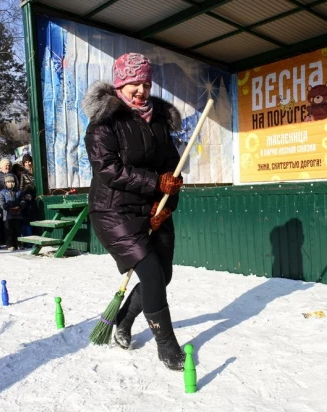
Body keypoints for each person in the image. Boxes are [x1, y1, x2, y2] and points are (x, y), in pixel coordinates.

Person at [83, 52, 185, 371]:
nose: (141, 89)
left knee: (162, 275)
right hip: (114, 212)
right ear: (120, 84)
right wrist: (157, 182)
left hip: (151, 206)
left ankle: (124, 320)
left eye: (145, 82)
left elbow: (172, 164)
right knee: (151, 272)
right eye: (133, 83)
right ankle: (166, 345)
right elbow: (110, 170)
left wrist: (165, 200)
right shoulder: (103, 123)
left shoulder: (157, 120)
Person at [0, 173, 24, 252]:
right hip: (8, 215)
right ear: (5, 183)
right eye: (8, 182)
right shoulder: (2, 192)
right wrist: (4, 206)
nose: (11, 184)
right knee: (9, 230)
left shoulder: (19, 192)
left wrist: (21, 205)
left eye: (12, 182)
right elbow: (0, 201)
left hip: (18, 213)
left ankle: (18, 243)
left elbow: (22, 200)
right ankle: (10, 244)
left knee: (17, 230)